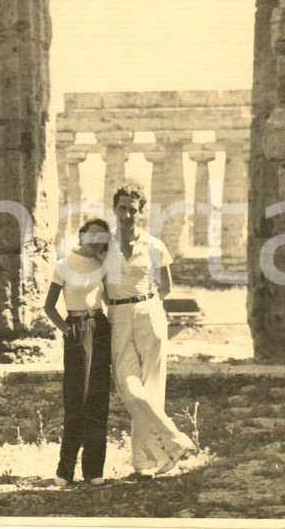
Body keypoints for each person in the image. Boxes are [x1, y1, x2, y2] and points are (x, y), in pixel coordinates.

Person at [104, 183, 196, 476]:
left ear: (141, 213)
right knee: (128, 385)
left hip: (149, 312)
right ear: (114, 209)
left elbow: (166, 286)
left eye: (133, 209)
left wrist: (146, 306)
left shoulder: (155, 245)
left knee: (152, 385)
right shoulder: (103, 246)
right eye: (122, 208)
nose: (127, 215)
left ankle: (145, 461)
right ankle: (173, 439)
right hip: (117, 314)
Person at [44, 218, 113, 487]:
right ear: (81, 236)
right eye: (92, 235)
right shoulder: (63, 265)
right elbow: (49, 306)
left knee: (97, 398)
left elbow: (109, 300)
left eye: (101, 237)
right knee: (75, 398)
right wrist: (66, 329)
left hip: (100, 328)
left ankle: (94, 470)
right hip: (75, 329)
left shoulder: (103, 266)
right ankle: (65, 470)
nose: (96, 241)